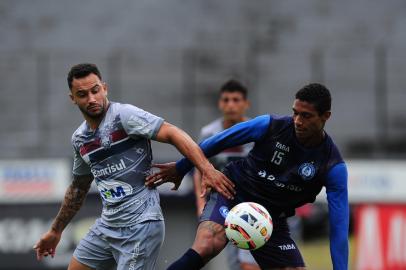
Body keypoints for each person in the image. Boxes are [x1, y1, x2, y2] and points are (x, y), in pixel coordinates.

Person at [33, 63, 235, 270]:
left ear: (104, 88)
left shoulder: (124, 116)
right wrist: (56, 231)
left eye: (95, 91)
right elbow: (78, 187)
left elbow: (173, 132)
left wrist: (207, 169)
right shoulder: (80, 139)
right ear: (72, 98)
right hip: (107, 226)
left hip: (141, 226)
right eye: (83, 94)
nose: (92, 99)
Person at [146, 83, 349, 270]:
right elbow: (216, 142)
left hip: (270, 219)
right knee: (208, 243)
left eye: (306, 116)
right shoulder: (270, 126)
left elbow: (339, 228)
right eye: (295, 113)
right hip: (233, 192)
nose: (297, 121)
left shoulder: (332, 165)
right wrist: (181, 168)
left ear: (326, 116)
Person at [193, 79, 260, 270]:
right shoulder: (209, 133)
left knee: (251, 261)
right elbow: (200, 169)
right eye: (226, 100)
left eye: (236, 100)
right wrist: (201, 204)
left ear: (246, 104)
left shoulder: (256, 131)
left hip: (251, 206)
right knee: (233, 260)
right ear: (220, 103)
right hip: (223, 205)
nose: (231, 105)